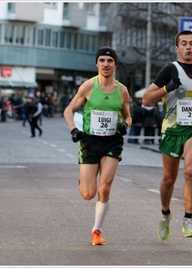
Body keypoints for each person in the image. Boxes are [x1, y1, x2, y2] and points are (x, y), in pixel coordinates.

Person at [142, 30, 192, 240]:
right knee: (169, 178)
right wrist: (168, 87)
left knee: (190, 170)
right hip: (173, 130)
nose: (188, 47)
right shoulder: (169, 69)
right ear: (177, 48)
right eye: (184, 44)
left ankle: (188, 220)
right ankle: (165, 213)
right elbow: (146, 100)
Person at [63, 46, 132, 246]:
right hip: (90, 142)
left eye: (110, 61)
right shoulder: (87, 87)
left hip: (112, 141)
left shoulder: (122, 91)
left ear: (115, 64)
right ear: (96, 64)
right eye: (102, 60)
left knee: (104, 187)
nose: (106, 64)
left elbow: (129, 117)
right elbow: (68, 110)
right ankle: (84, 181)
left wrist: (125, 124)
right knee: (88, 194)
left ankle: (97, 231)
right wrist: (74, 129)